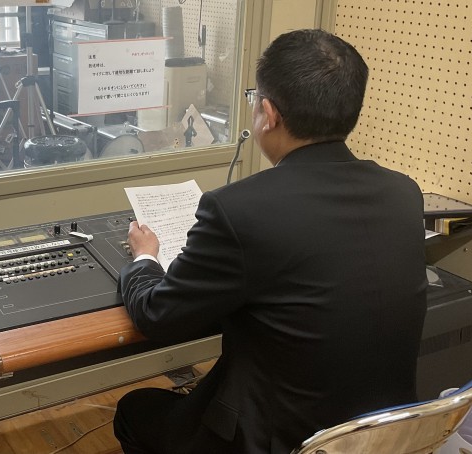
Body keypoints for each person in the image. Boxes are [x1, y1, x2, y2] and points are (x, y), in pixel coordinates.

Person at [114, 29, 428, 454]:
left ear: (268, 113)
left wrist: (144, 259)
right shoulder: (404, 193)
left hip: (282, 441)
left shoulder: (237, 210)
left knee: (134, 409)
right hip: (380, 436)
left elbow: (157, 315)